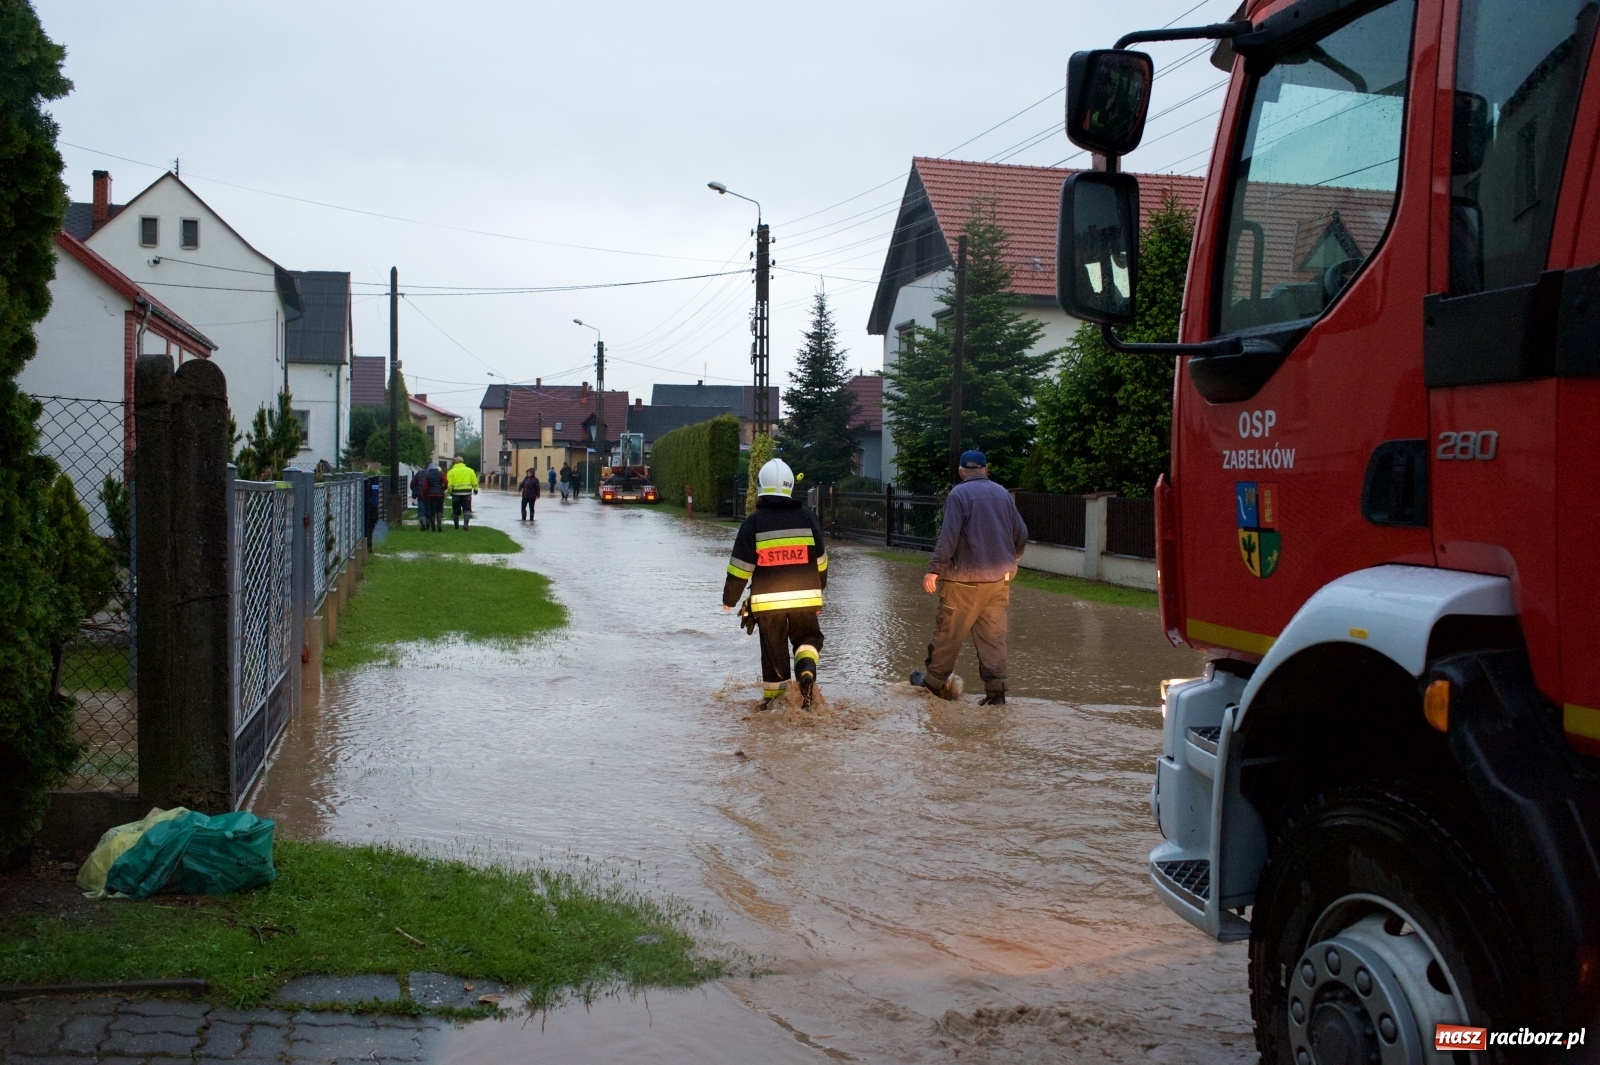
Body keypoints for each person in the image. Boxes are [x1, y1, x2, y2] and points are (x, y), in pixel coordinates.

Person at [910, 449, 1028, 707]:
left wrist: (934, 570)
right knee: (993, 638)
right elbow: (1021, 533)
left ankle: (933, 685)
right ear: (986, 469)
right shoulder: (1003, 494)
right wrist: (1013, 558)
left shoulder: (958, 494)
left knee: (948, 633)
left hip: (964, 581)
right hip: (1000, 581)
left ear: (961, 471)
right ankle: (996, 693)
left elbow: (948, 537)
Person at [721, 458, 828, 709]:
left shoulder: (753, 523)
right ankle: (806, 669)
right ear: (789, 487)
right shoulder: (808, 518)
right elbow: (821, 562)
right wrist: (818, 592)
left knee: (774, 655)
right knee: (808, 639)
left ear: (761, 487)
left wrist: (729, 600)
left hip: (768, 604)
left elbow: (740, 567)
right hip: (806, 597)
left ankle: (777, 708)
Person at [446, 455, 478, 529]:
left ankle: (456, 525)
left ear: (455, 462)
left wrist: (450, 492)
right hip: (467, 493)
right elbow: (474, 482)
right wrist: (476, 489)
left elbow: (449, 484)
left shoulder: (451, 472)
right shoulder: (470, 470)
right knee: (467, 510)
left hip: (456, 494)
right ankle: (466, 525)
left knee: (456, 510)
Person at [422, 460, 447, 532]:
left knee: (432, 511)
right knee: (439, 509)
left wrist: (425, 495)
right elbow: (445, 481)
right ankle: (439, 524)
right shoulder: (441, 473)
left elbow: (425, 487)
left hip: (431, 495)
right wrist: (443, 488)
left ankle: (433, 527)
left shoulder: (428, 475)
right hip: (440, 494)